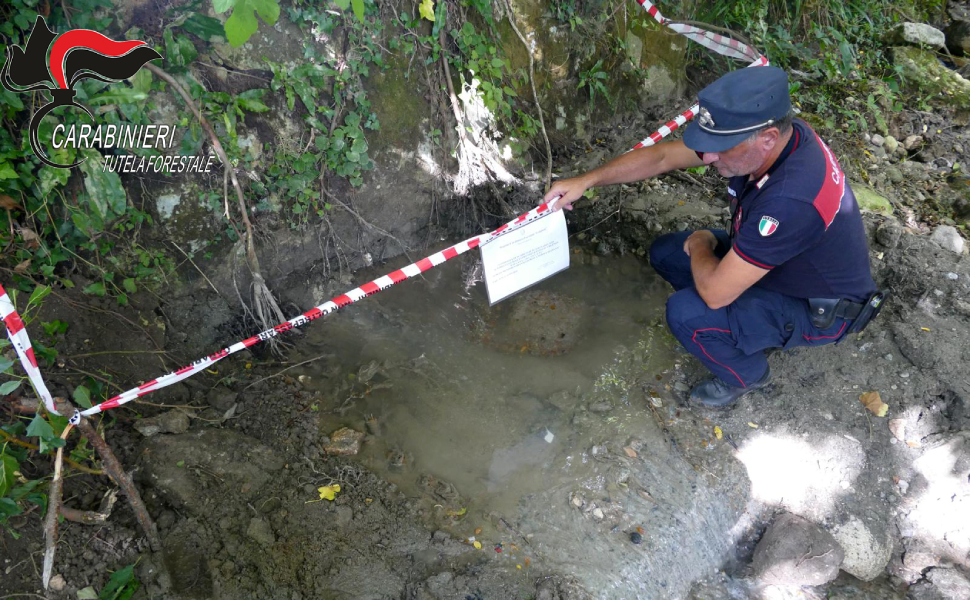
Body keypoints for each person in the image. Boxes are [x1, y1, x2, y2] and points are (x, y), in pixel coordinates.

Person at [543, 66, 879, 407]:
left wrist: (703, 243)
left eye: (721, 148)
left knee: (686, 313)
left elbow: (716, 294)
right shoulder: (780, 134)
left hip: (819, 309)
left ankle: (748, 374)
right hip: (784, 265)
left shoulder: (790, 201)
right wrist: (586, 181)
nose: (709, 158)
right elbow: (663, 156)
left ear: (767, 139)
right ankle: (732, 329)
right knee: (668, 253)